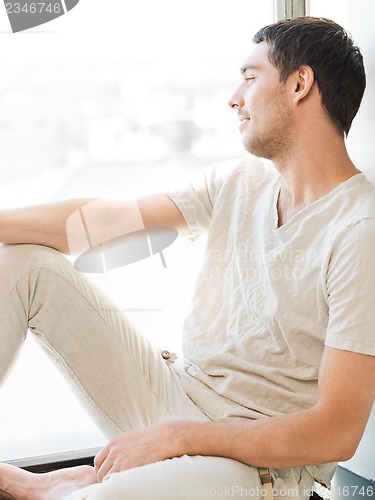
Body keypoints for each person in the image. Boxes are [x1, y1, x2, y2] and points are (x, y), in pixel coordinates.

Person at [0, 15, 374, 500]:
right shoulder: (239, 181)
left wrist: (179, 439)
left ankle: (73, 487)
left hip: (254, 464)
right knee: (23, 264)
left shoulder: (360, 231)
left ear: (300, 83)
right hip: (175, 393)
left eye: (250, 76)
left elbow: (335, 433)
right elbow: (103, 223)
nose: (234, 97)